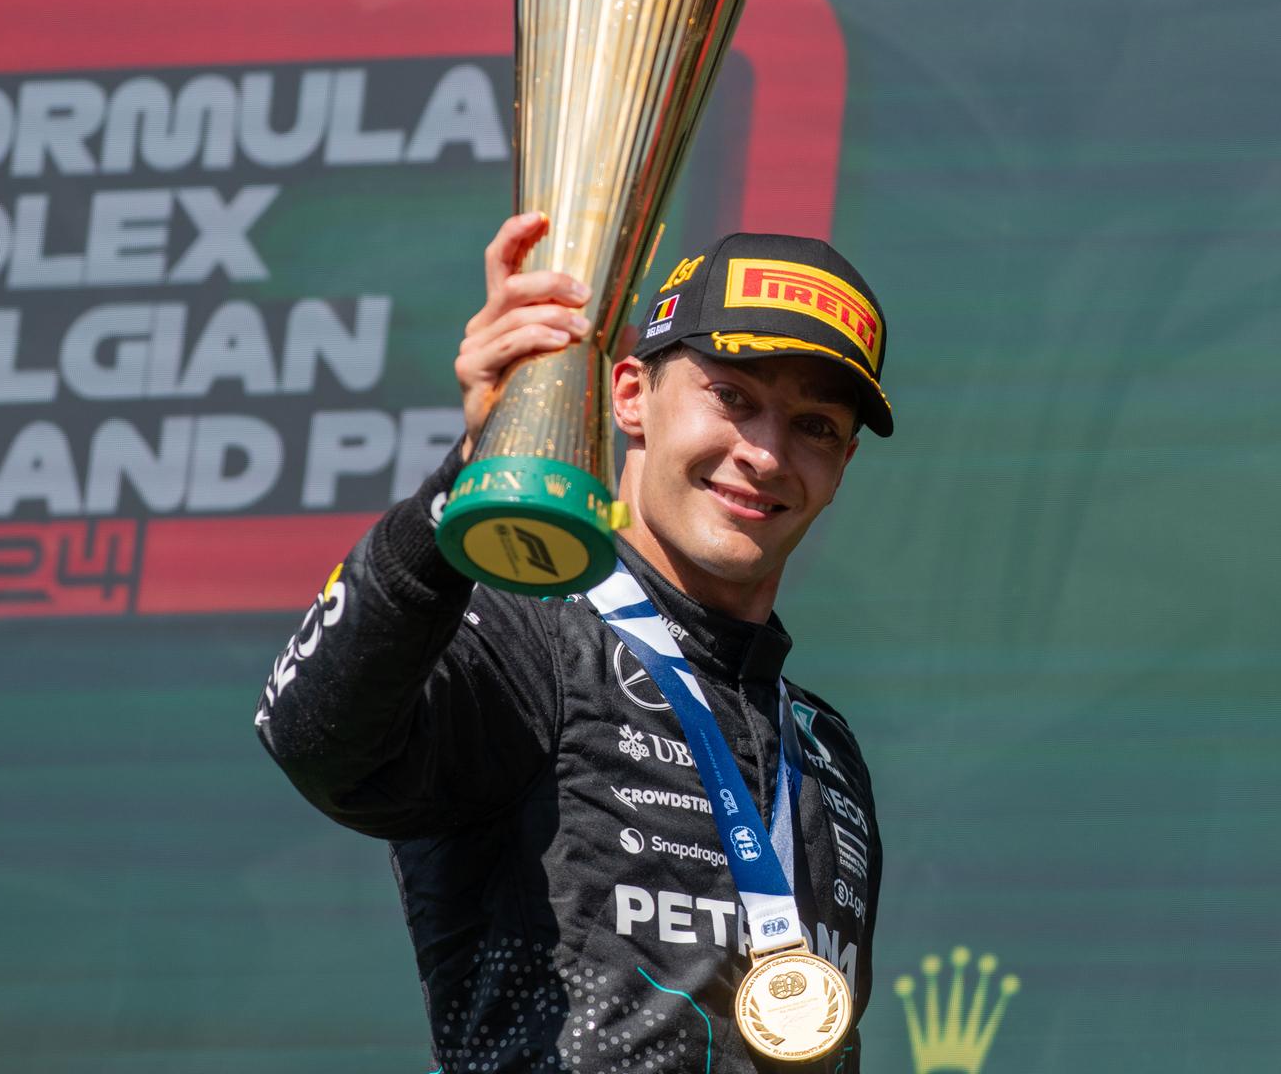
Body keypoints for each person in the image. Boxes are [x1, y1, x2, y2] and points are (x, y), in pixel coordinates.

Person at [256, 212, 893, 1070]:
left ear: (844, 465)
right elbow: (318, 740)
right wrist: (470, 473)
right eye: (733, 398)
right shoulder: (534, 640)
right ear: (631, 395)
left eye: (814, 425)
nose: (766, 454)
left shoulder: (824, 753)